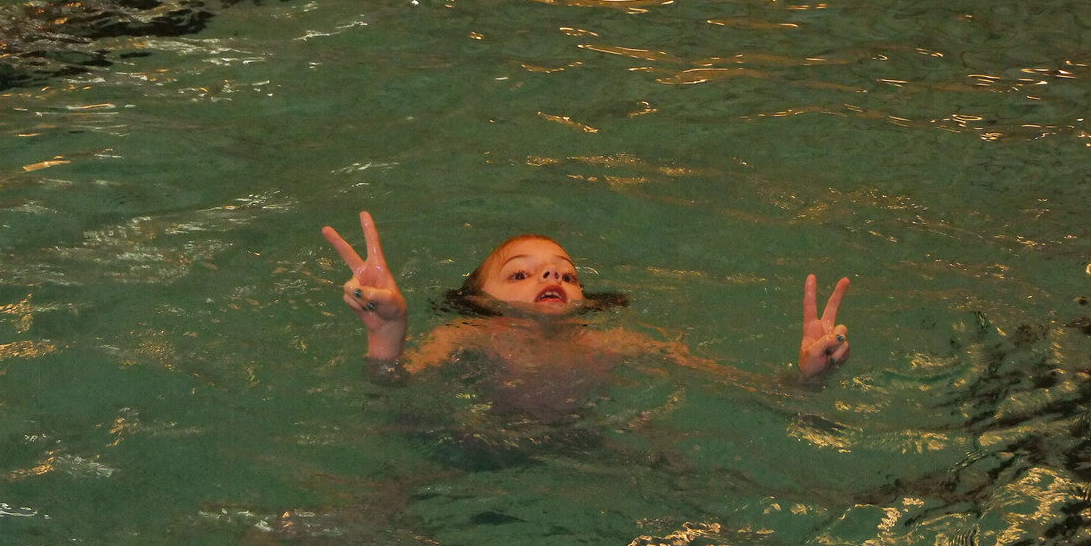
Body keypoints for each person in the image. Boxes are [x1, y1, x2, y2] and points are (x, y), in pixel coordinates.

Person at [321, 212, 850, 385]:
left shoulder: (617, 344)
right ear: (478, 301)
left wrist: (807, 376)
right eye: (520, 273)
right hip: (474, 448)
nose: (552, 274)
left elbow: (739, 388)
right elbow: (391, 395)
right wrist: (387, 333)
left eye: (566, 274)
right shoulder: (465, 337)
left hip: (590, 448)